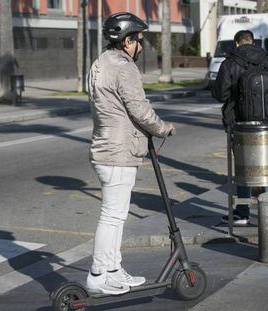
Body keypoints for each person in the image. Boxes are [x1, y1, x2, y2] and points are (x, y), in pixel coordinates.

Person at [86, 12, 175, 295]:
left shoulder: (100, 62)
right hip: (118, 150)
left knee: (115, 215)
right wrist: (163, 128)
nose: (140, 45)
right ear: (126, 40)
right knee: (112, 216)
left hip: (106, 145)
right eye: (138, 39)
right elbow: (139, 109)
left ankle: (113, 270)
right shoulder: (124, 67)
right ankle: (98, 274)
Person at [212, 30, 268, 225]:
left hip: (240, 124)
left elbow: (220, 94)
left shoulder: (230, 64)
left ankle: (243, 212)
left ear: (237, 43)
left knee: (243, 166)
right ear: (253, 42)